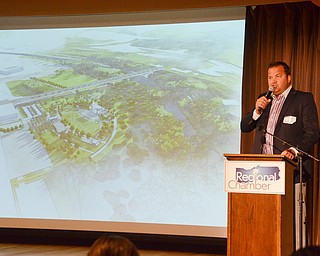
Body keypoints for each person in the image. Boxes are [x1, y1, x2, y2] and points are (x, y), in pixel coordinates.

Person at [241, 61, 320, 181]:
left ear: (288, 78)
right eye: (270, 77)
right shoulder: (264, 99)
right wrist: (256, 112)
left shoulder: (303, 99)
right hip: (261, 171)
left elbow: (312, 133)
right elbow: (244, 127)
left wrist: (293, 151)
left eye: (278, 76)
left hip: (290, 170)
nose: (273, 81)